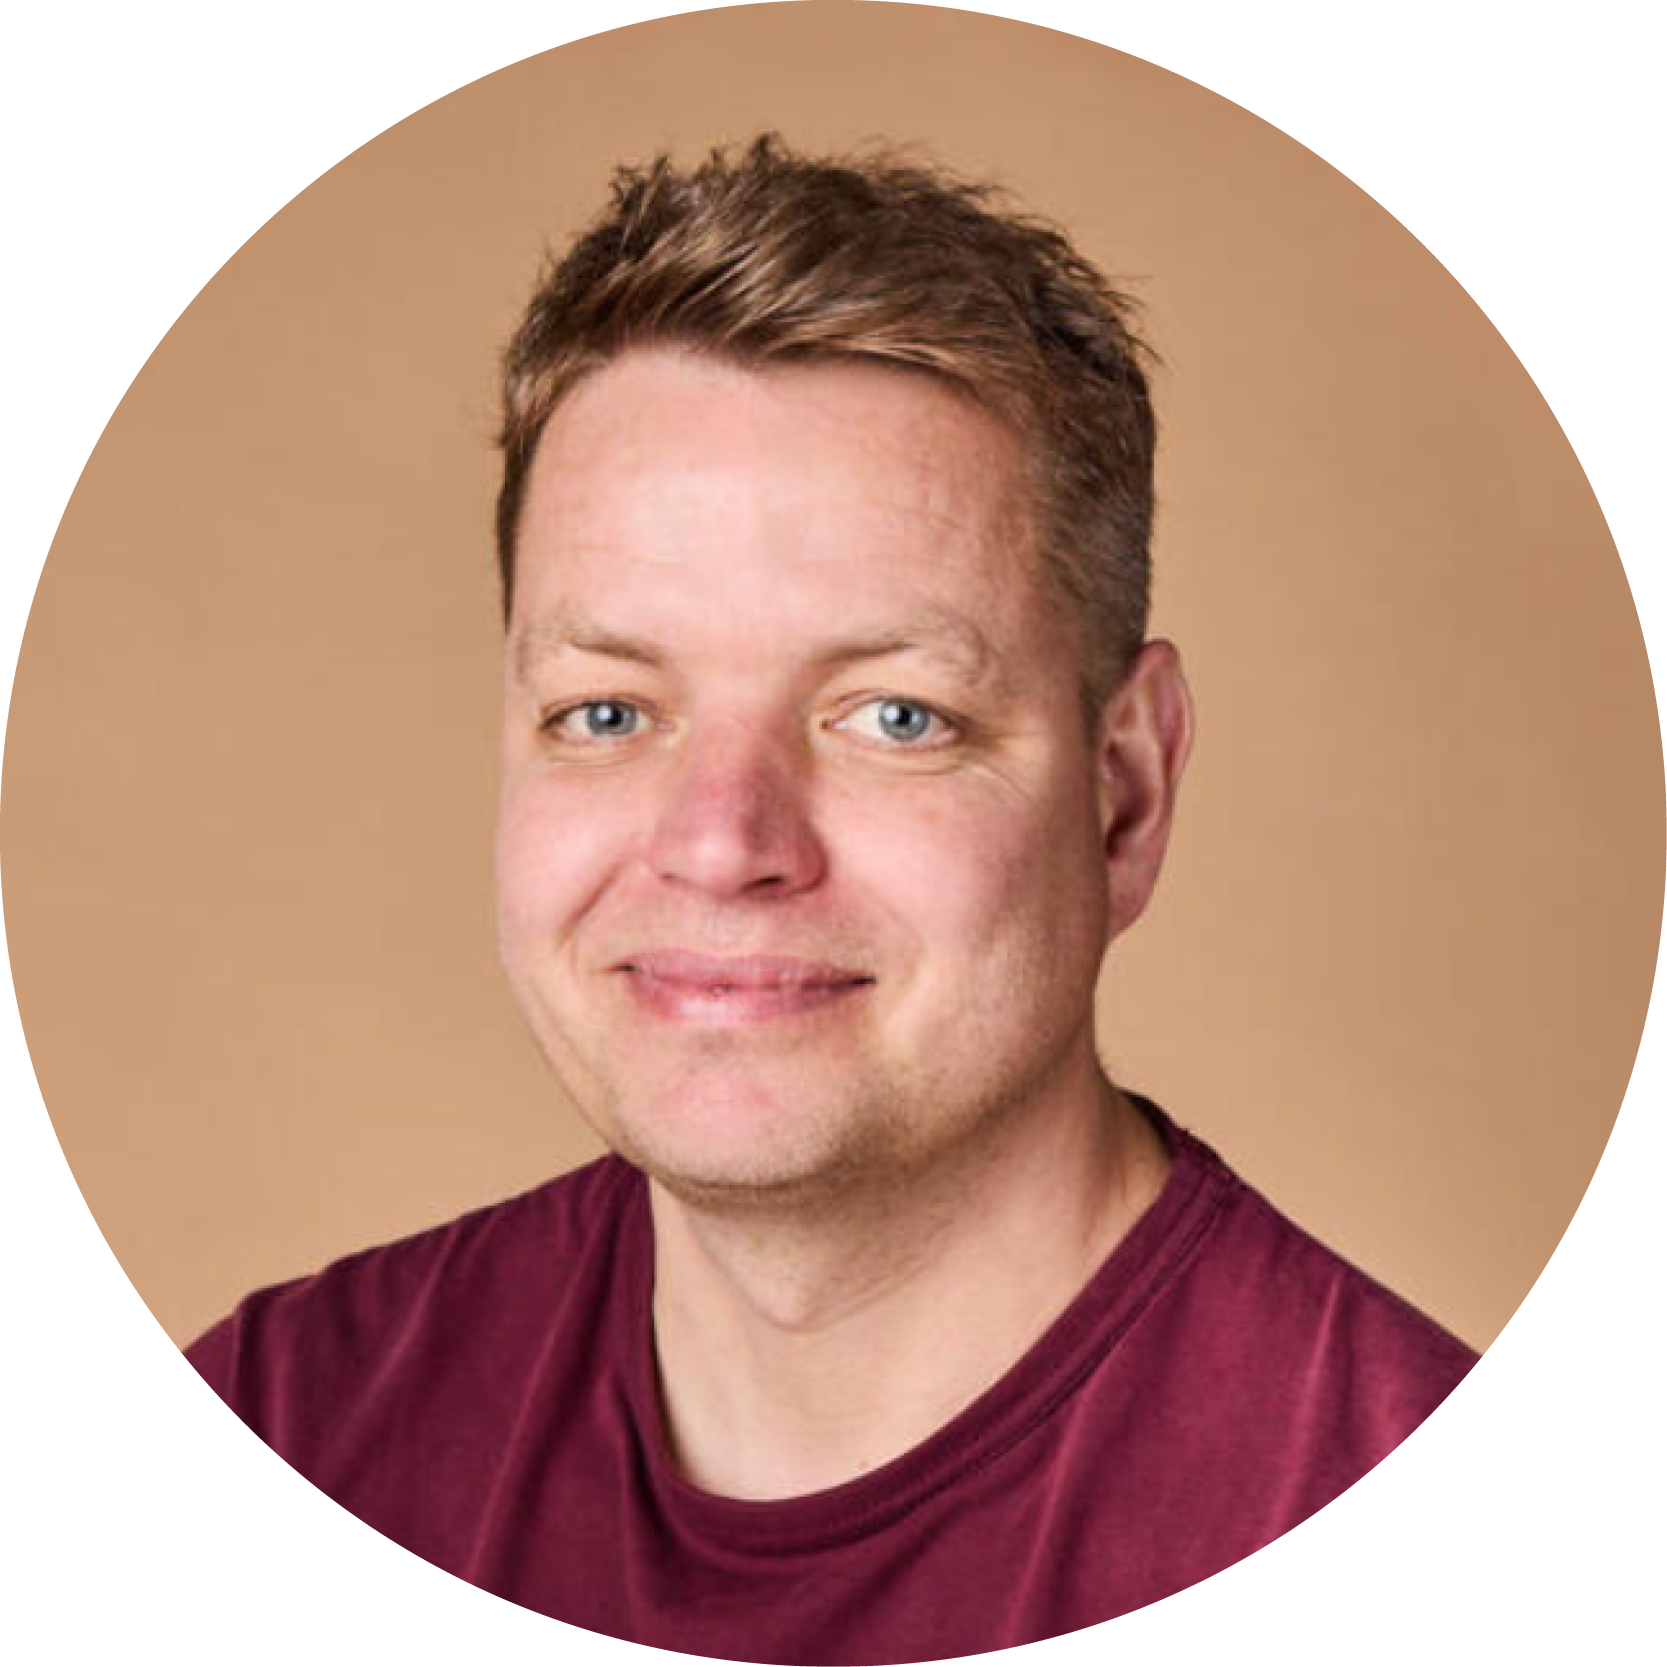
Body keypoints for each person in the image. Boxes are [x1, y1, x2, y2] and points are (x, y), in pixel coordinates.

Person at [183, 134, 1480, 1665]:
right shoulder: (304, 1413)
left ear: (1121, 792)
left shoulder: (1468, 1552)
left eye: (893, 715)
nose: (722, 841)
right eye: (608, 711)